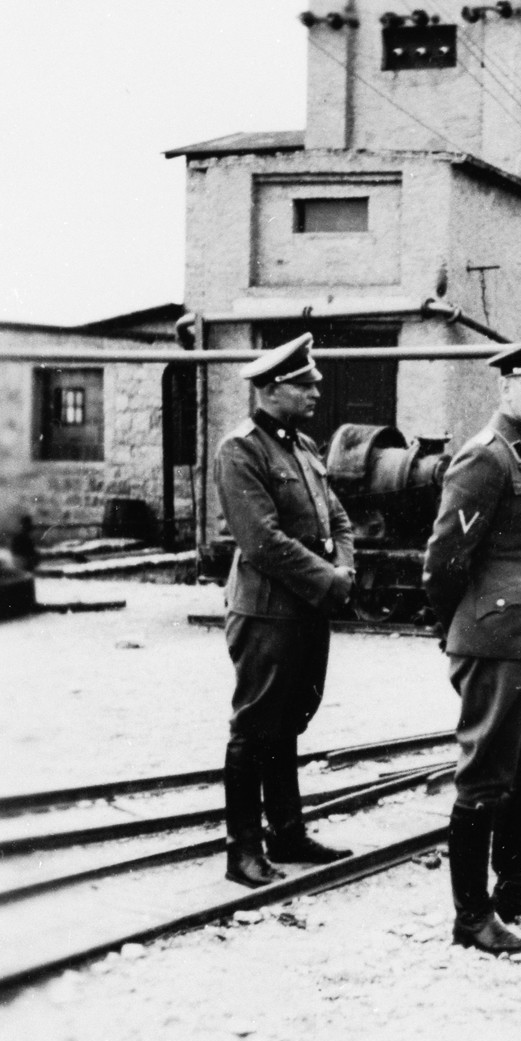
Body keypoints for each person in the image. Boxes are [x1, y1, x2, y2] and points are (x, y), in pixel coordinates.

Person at [422, 331, 521, 957]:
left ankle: (515, 886)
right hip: (498, 641)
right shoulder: (486, 458)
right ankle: (471, 916)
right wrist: (459, 632)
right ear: (506, 385)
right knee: (485, 776)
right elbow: (444, 560)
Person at [214, 332, 356, 888]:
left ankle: (288, 833)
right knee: (256, 726)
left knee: (290, 721)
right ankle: (242, 851)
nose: (317, 390)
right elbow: (262, 542)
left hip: (307, 608)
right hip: (268, 611)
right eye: (306, 383)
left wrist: (342, 569)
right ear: (273, 389)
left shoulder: (303, 447)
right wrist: (330, 582)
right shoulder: (241, 449)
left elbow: (338, 520)